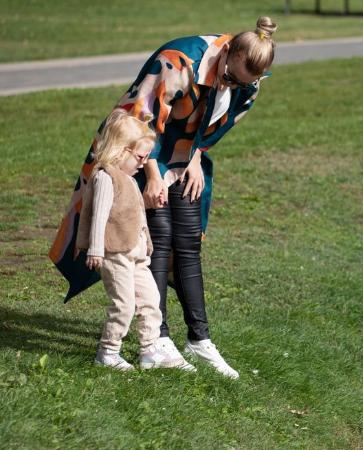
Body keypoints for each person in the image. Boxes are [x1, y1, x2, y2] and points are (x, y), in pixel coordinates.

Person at [51, 16, 277, 379]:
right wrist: (153, 176)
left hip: (184, 155)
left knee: (187, 241)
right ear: (227, 52)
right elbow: (138, 122)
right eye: (229, 77)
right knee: (154, 241)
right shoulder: (178, 61)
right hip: (140, 153)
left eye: (242, 83)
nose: (230, 86)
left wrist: (196, 157)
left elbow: (215, 126)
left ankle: (199, 339)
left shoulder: (248, 83)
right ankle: (156, 340)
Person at [75, 110, 195, 372]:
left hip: (137, 255)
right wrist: (95, 249)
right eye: (141, 157)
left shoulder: (128, 179)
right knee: (124, 304)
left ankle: (149, 350)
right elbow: (99, 216)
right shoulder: (106, 177)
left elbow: (132, 213)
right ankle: (108, 352)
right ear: (121, 150)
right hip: (115, 252)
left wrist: (148, 221)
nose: (143, 163)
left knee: (151, 300)